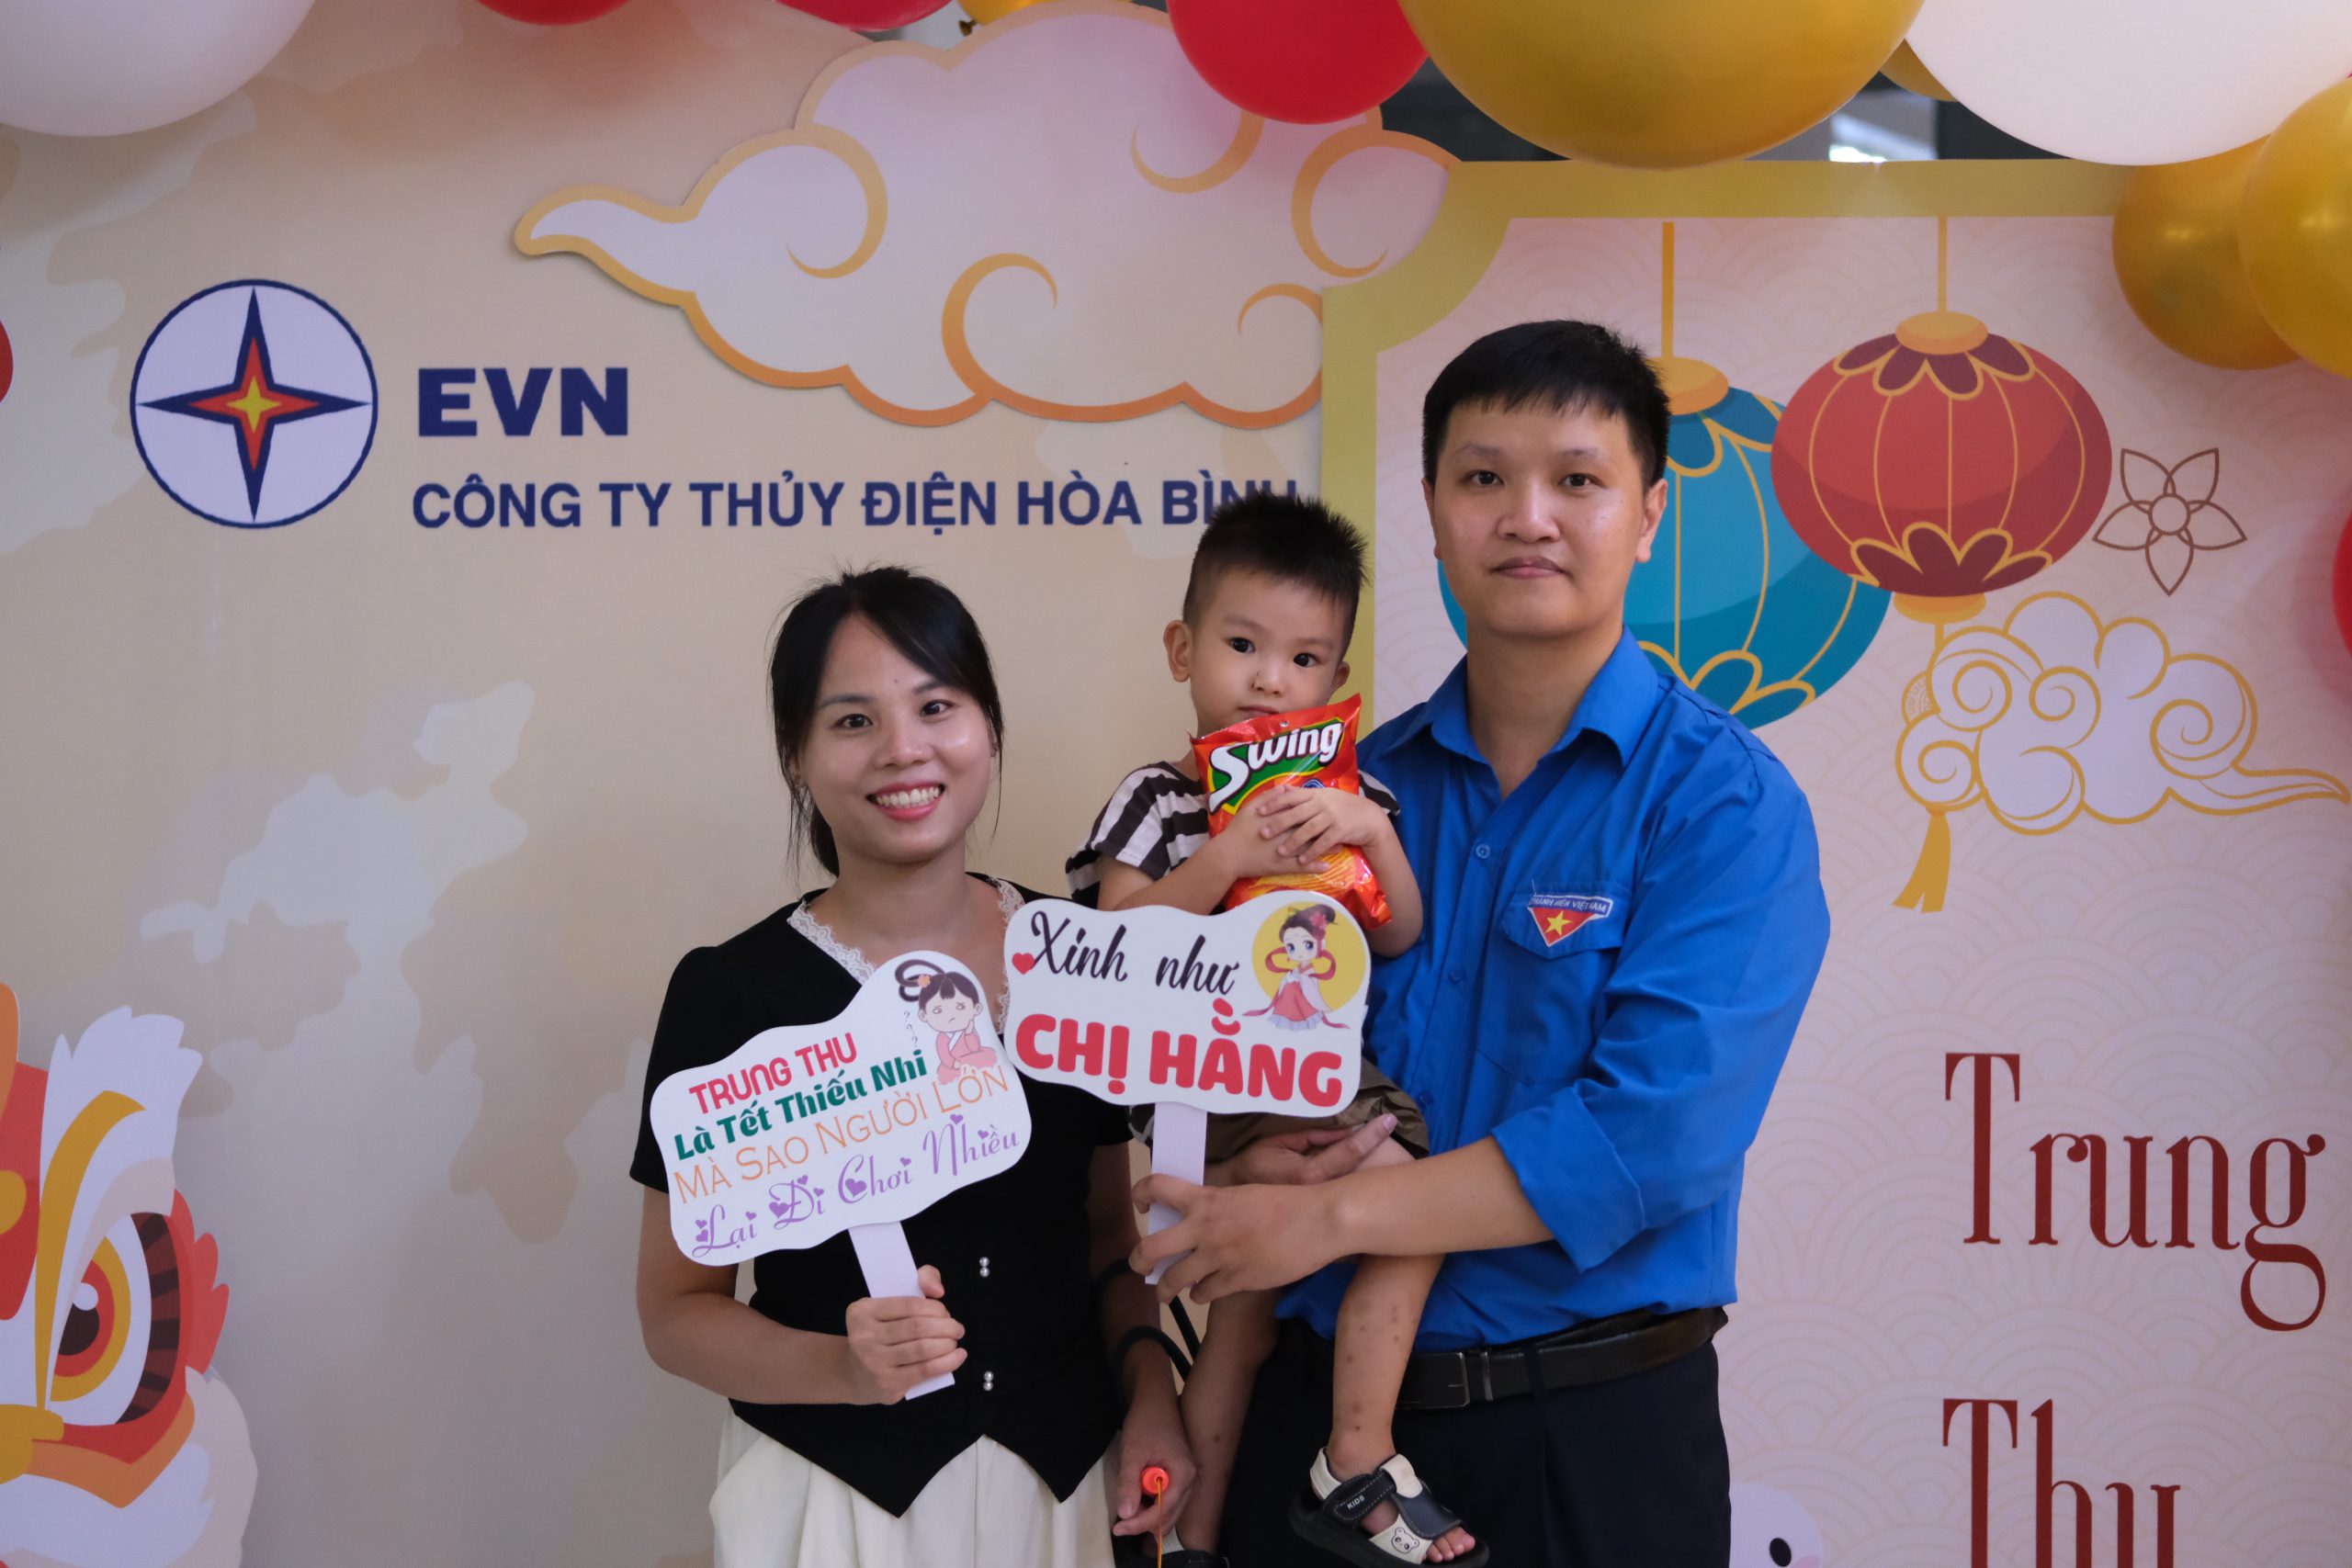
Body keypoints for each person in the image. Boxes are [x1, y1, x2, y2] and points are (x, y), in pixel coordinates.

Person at [1134, 321, 1833, 1567]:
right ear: (1432, 510)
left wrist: (1332, 1218)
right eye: (1483, 476)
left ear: (1649, 513)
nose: (1528, 517)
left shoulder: (1721, 804)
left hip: (1590, 1441)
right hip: (1305, 1420)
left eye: (1578, 478)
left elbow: (1651, 1136)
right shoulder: (1334, 793)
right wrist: (1252, 1159)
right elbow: (1225, 1037)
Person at [631, 567, 1193, 1568]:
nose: (903, 748)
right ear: (797, 755)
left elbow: (1110, 1241)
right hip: (832, 1498)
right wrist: (844, 1369)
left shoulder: (1081, 959)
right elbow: (676, 1313)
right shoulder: (733, 992)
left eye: (936, 706)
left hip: (1068, 1485)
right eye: (853, 720)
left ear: (989, 727)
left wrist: (1153, 1394)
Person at [1069, 495, 1479, 1567]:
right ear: (1183, 650)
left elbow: (1399, 935)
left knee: (1257, 1314)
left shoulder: (1346, 798)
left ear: (1333, 682)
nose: (1267, 679)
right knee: (1398, 1204)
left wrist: (1371, 834)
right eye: (1242, 645)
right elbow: (1115, 947)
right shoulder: (1156, 802)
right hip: (1206, 1095)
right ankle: (1356, 1454)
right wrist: (1224, 854)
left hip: (1318, 1074)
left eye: (1302, 659)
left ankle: (1204, 1534)